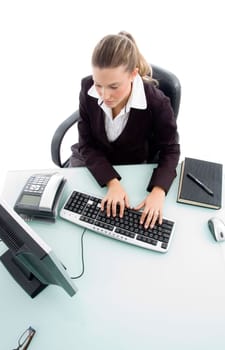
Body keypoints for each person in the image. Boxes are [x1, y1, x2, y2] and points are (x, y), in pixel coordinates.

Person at [70, 31, 180, 228]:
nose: (104, 95)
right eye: (99, 85)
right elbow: (85, 144)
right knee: (74, 213)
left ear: (133, 74)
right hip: (95, 160)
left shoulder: (157, 103)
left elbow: (170, 150)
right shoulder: (87, 88)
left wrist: (158, 191)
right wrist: (112, 183)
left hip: (131, 167)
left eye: (113, 86)